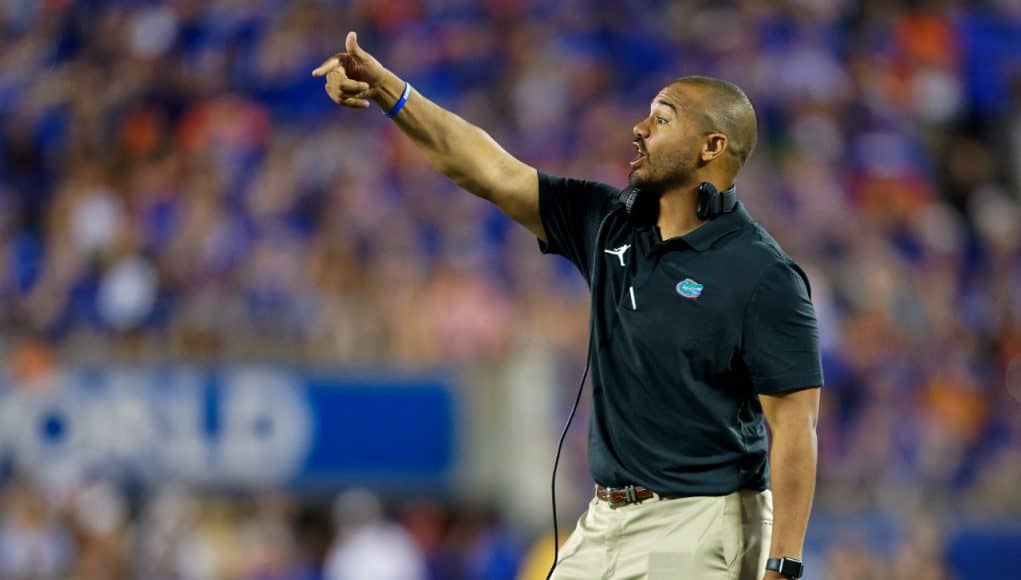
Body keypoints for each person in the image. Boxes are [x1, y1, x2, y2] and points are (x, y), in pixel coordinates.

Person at [313, 32, 822, 580]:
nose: (640, 128)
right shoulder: (609, 221)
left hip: (699, 521)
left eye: (663, 117)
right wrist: (391, 91)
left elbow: (795, 428)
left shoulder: (762, 273)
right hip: (605, 518)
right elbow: (487, 169)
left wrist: (783, 565)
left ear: (712, 147)